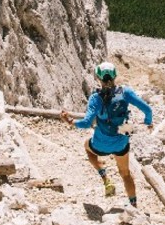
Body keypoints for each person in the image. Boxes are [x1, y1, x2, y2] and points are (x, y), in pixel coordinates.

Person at [61, 61, 153, 207]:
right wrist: (148, 122)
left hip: (101, 143)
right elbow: (148, 110)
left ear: (98, 78)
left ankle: (104, 176)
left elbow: (86, 123)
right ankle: (134, 207)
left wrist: (71, 122)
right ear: (115, 75)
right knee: (125, 174)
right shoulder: (125, 92)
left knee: (87, 146)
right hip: (121, 142)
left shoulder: (95, 98)